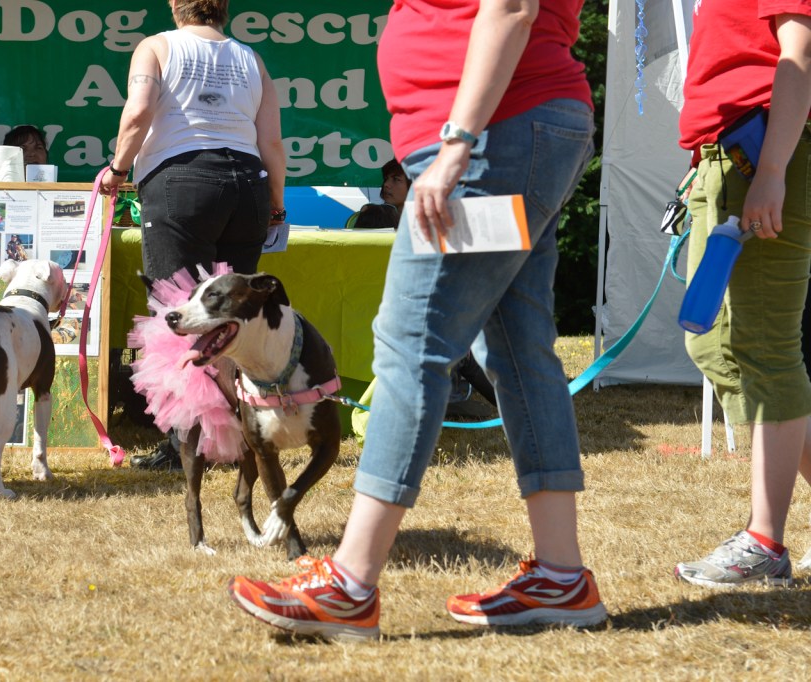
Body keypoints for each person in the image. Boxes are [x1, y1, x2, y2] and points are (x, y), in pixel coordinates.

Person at [228, 0, 605, 640]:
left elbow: (511, 9)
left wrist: (458, 143)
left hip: (491, 133)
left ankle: (350, 583)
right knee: (517, 349)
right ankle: (561, 577)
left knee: (411, 345)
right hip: (511, 127)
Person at [100, 0, 285, 471]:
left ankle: (183, 444)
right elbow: (272, 143)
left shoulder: (156, 47)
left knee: (178, 312)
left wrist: (118, 170)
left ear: (174, 5)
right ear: (223, 9)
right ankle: (240, 437)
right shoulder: (252, 59)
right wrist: (277, 204)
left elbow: (138, 113)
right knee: (234, 319)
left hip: (182, 180)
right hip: (249, 184)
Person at [672, 2, 811, 587]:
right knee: (712, 347)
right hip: (722, 158)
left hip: (760, 156)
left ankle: (764, 542)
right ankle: (765, 536)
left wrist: (773, 170)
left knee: (763, 348)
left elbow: (798, 56)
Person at [345, 158, 411, 229]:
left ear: (413, 185)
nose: (386, 184)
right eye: (385, 179)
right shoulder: (371, 215)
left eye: (396, 179)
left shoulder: (421, 222)